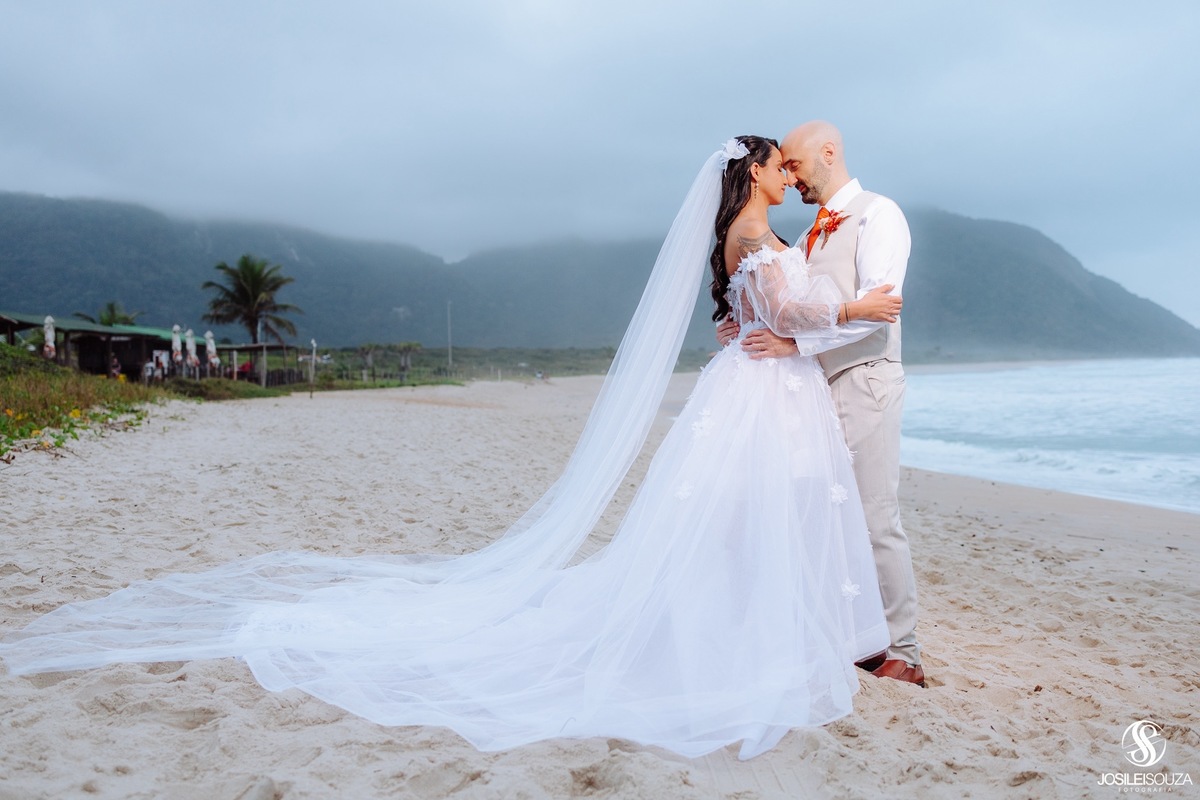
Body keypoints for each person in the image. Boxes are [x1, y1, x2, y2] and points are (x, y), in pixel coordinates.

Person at [1, 137, 899, 760]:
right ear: (751, 173)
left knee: (741, 522)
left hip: (759, 391)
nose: (788, 173)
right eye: (777, 163)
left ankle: (764, 628)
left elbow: (766, 318)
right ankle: (755, 640)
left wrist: (795, 329)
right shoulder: (752, 232)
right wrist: (855, 310)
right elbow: (781, 313)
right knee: (742, 520)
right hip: (760, 394)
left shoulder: (750, 233)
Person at [718, 121, 923, 686]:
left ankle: (902, 650)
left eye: (797, 165)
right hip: (809, 387)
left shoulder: (880, 215)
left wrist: (790, 341)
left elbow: (878, 306)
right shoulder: (805, 235)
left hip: (863, 377)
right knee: (828, 514)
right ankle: (857, 638)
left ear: (828, 154)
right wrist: (745, 324)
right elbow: (784, 300)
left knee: (874, 516)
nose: (793, 175)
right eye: (783, 167)